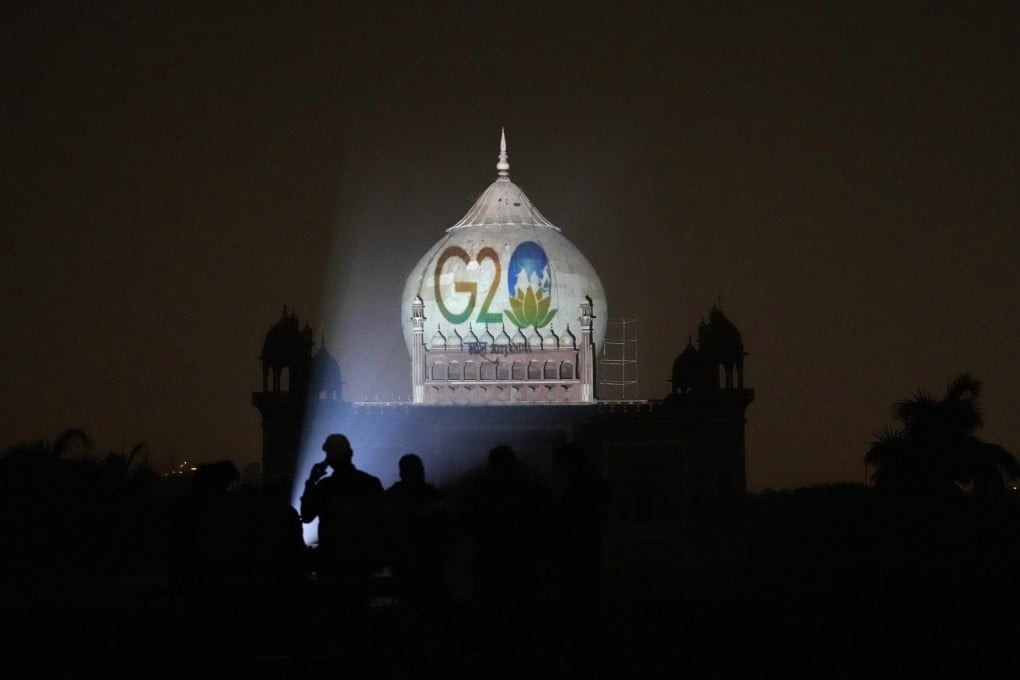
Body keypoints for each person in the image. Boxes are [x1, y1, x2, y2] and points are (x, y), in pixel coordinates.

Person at [300, 434, 383, 611]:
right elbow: (381, 522)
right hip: (361, 565)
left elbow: (306, 515)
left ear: (329, 459)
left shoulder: (324, 488)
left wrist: (311, 481)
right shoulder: (370, 484)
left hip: (332, 566)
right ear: (350, 453)